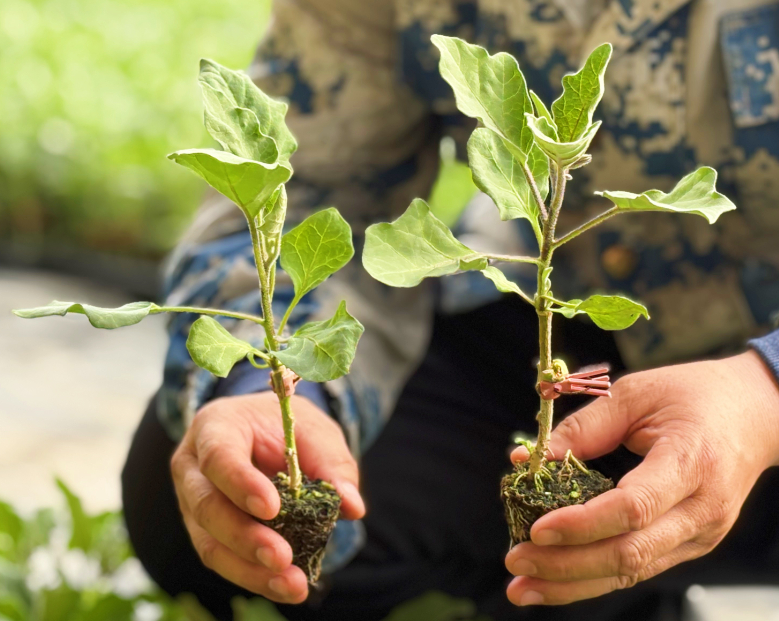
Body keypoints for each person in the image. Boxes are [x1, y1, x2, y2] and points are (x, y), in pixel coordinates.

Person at [122, 1, 779, 619]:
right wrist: (276, 383)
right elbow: (314, 189)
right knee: (223, 504)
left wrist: (763, 390)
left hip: (759, 372)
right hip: (565, 322)